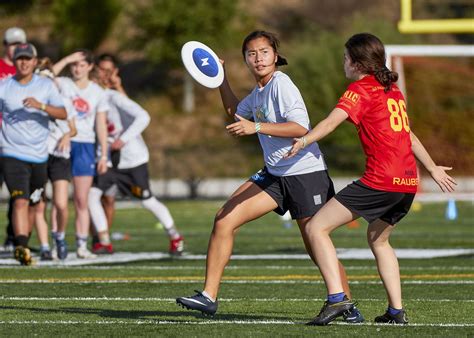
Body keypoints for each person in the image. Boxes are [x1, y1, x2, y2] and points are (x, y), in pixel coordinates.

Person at [176, 31, 361, 322]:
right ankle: (209, 297)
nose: (258, 58)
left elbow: (301, 127)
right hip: (274, 175)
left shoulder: (281, 84)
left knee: (316, 246)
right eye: (251, 53)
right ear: (245, 60)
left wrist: (257, 128)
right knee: (224, 218)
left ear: (275, 55)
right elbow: (236, 114)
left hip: (304, 174)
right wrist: (221, 79)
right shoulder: (259, 91)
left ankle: (347, 305)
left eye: (264, 52)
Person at [285, 33, 457, 325]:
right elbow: (408, 135)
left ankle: (337, 299)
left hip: (382, 179)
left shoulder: (360, 89)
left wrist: (303, 141)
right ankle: (396, 312)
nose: (343, 63)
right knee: (378, 240)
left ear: (356, 62)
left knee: (316, 228)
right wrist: (431, 168)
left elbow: (330, 122)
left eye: (345, 57)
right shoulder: (392, 91)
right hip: (406, 182)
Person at [88, 53, 185, 256]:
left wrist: (122, 139)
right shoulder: (93, 94)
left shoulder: (113, 96)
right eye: (100, 70)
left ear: (114, 72)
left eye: (108, 70)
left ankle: (175, 235)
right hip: (109, 159)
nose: (104, 75)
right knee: (93, 195)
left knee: (147, 200)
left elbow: (142, 116)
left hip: (132, 159)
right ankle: (103, 240)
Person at [0, 43, 67, 265]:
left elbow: (64, 113)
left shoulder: (46, 86)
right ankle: (20, 246)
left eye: (28, 58)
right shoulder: (5, 86)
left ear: (35, 61)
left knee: (34, 203)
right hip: (11, 152)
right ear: (15, 61)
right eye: (20, 58)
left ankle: (24, 244)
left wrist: (42, 106)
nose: (24, 62)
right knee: (19, 200)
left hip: (39, 155)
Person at [52, 50, 109, 259]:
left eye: (81, 65)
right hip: (62, 141)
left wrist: (104, 155)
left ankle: (82, 245)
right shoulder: (64, 84)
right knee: (59, 200)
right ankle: (57, 241)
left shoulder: (98, 92)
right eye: (74, 65)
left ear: (90, 67)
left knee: (81, 199)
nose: (77, 68)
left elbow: (101, 125)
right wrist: (66, 58)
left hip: (85, 145)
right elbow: (45, 77)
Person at [0, 27, 27, 252]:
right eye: (12, 43)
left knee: (18, 191)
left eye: (20, 43)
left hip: (19, 140)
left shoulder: (27, 71)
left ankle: (13, 237)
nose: (16, 47)